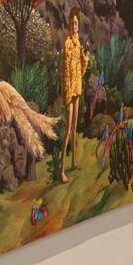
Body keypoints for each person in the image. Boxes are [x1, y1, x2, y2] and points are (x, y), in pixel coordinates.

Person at [58, 11, 88, 181]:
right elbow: (63, 72)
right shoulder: (67, 44)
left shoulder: (77, 42)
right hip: (70, 91)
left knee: (75, 128)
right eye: (71, 24)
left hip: (77, 88)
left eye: (75, 23)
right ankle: (61, 170)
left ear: (78, 25)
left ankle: (73, 162)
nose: (73, 26)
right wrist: (67, 94)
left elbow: (81, 66)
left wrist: (85, 58)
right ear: (68, 26)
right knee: (68, 130)